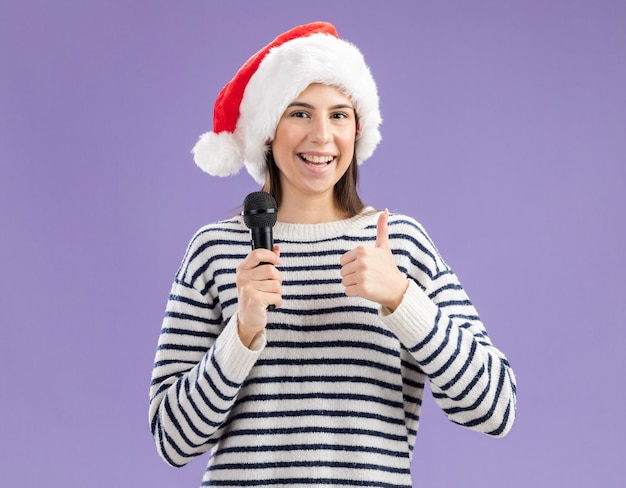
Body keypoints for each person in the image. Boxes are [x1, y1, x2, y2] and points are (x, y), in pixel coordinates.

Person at [149, 22, 516, 487]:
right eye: (299, 113)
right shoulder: (215, 251)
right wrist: (240, 334)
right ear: (267, 131)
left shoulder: (398, 245)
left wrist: (404, 300)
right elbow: (172, 440)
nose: (322, 136)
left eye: (339, 115)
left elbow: (495, 407)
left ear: (357, 129)